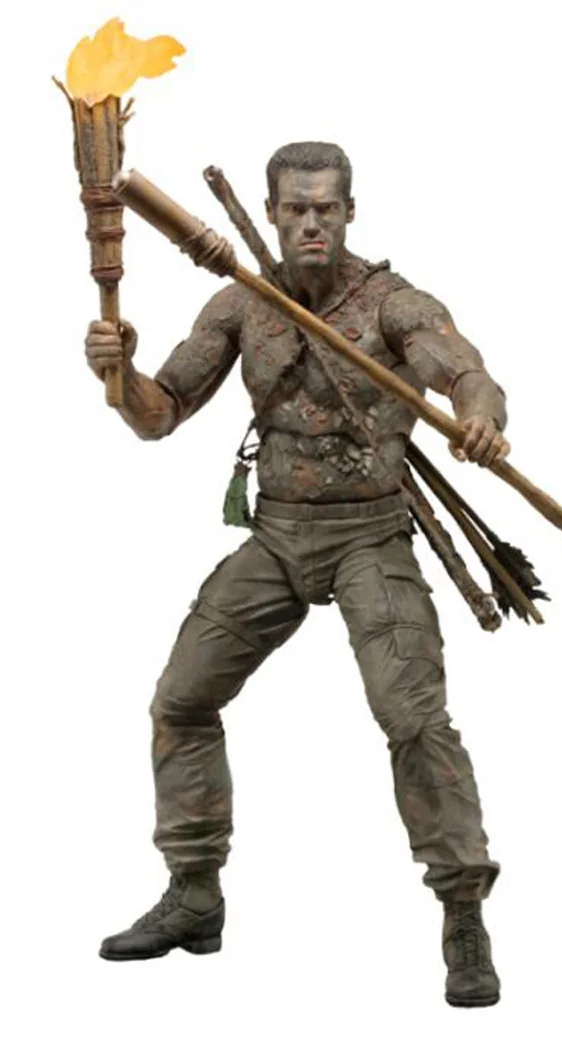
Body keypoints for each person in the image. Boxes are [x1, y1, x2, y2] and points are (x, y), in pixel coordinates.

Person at [86, 142, 510, 1007]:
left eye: (325, 208)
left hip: (370, 534)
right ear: (274, 214)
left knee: (413, 715)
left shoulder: (392, 302)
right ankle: (194, 894)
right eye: (294, 208)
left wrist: (478, 419)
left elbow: (465, 370)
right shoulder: (242, 302)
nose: (310, 222)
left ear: (350, 212)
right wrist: (118, 373)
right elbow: (158, 414)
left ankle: (463, 910)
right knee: (180, 698)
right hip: (277, 536)